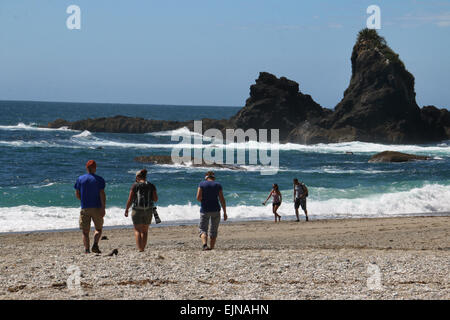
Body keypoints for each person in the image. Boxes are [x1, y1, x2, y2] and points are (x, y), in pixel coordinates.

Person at [74, 160, 106, 254]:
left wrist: (83, 201)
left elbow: (77, 193)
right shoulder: (99, 179)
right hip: (97, 207)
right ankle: (95, 244)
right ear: (95, 168)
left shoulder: (80, 179)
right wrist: (103, 207)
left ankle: (87, 250)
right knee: (99, 229)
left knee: (85, 231)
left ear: (86, 168)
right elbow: (102, 194)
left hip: (85, 207)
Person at [124, 169, 158, 252]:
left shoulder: (135, 185)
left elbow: (130, 199)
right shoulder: (151, 185)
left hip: (137, 210)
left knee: (137, 230)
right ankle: (143, 248)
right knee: (145, 231)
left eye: (136, 177)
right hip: (148, 210)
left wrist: (126, 209)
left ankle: (140, 249)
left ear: (138, 177)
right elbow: (155, 199)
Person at [196, 171, 227, 251]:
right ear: (214, 177)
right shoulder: (218, 185)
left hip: (205, 209)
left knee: (203, 229)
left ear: (206, 177)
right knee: (214, 230)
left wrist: (204, 201)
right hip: (216, 210)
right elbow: (222, 199)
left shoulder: (202, 184)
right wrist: (225, 212)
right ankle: (212, 248)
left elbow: (198, 197)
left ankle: (205, 245)